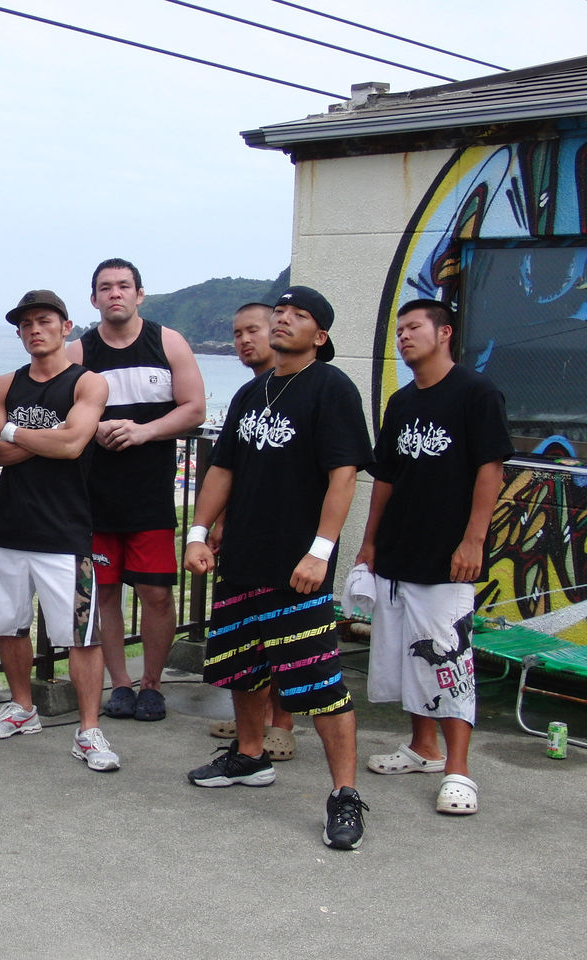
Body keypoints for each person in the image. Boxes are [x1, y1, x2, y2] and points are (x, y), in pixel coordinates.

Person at [182, 285, 373, 849]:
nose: (283, 319)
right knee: (242, 667)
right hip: (242, 558)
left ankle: (344, 794)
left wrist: (320, 551)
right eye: (280, 312)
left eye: (299, 315)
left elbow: (344, 476)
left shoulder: (331, 388)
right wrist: (197, 533)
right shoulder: (251, 391)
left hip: (297, 568)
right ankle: (249, 755)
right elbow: (222, 470)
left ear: (321, 335)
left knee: (320, 682)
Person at [356, 299, 512, 816]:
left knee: (449, 659)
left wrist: (474, 540)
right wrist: (370, 542)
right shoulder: (401, 402)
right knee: (408, 655)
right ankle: (422, 747)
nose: (403, 336)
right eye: (399, 329)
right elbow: (385, 477)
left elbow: (491, 468)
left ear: (444, 332)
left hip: (448, 556)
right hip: (398, 550)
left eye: (414, 327)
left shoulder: (476, 392)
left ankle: (458, 771)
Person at [0, 290, 116, 771]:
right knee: (9, 626)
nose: (35, 330)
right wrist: (50, 438)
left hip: (65, 529)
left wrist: (14, 432)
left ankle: (89, 730)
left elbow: (74, 444)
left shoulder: (88, 382)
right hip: (8, 526)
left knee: (82, 635)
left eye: (45, 321)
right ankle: (22, 707)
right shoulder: (2, 385)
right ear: (19, 333)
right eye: (26, 324)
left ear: (66, 326)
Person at [66, 258, 206, 722]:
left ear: (139, 294)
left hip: (150, 496)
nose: (115, 294)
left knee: (156, 593)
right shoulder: (79, 351)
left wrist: (144, 431)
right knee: (104, 594)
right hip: (95, 498)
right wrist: (95, 428)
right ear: (94, 299)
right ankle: (121, 684)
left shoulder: (168, 341)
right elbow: (58, 409)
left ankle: (152, 684)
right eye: (106, 287)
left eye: (124, 286)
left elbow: (194, 408)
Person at [205, 302, 297, 760]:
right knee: (249, 634)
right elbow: (232, 466)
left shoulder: (306, 388)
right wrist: (217, 521)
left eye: (253, 330)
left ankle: (282, 723)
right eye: (237, 333)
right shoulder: (248, 393)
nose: (244, 340)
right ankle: (254, 722)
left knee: (284, 634)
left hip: (290, 538)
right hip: (245, 534)